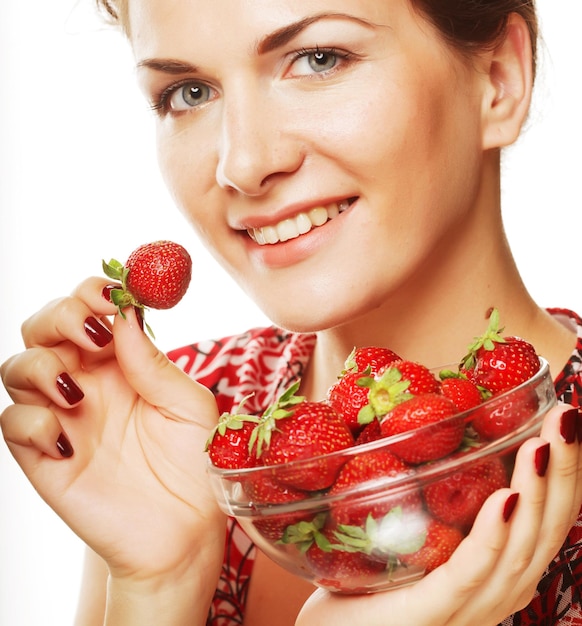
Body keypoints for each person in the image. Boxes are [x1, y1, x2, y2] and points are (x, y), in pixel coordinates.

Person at [1, 0, 581, 624]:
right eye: (189, 92)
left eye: (318, 59)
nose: (244, 165)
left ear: (498, 80)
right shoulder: (188, 430)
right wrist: (158, 587)